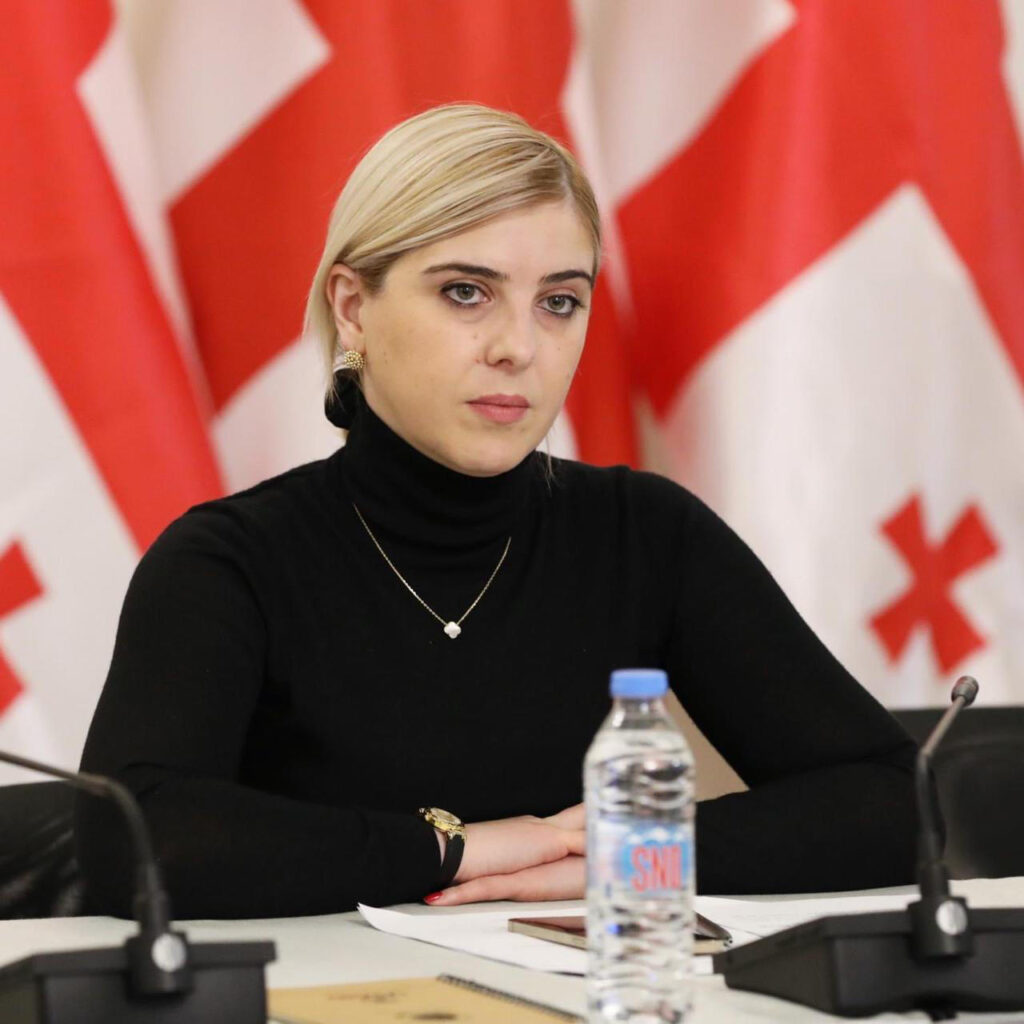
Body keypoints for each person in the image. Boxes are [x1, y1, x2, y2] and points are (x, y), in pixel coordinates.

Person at [75, 103, 917, 920]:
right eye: (466, 292)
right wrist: (457, 850)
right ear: (353, 307)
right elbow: (131, 844)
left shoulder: (644, 532)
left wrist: (630, 858)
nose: (519, 347)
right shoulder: (229, 560)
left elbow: (894, 803)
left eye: (559, 302)